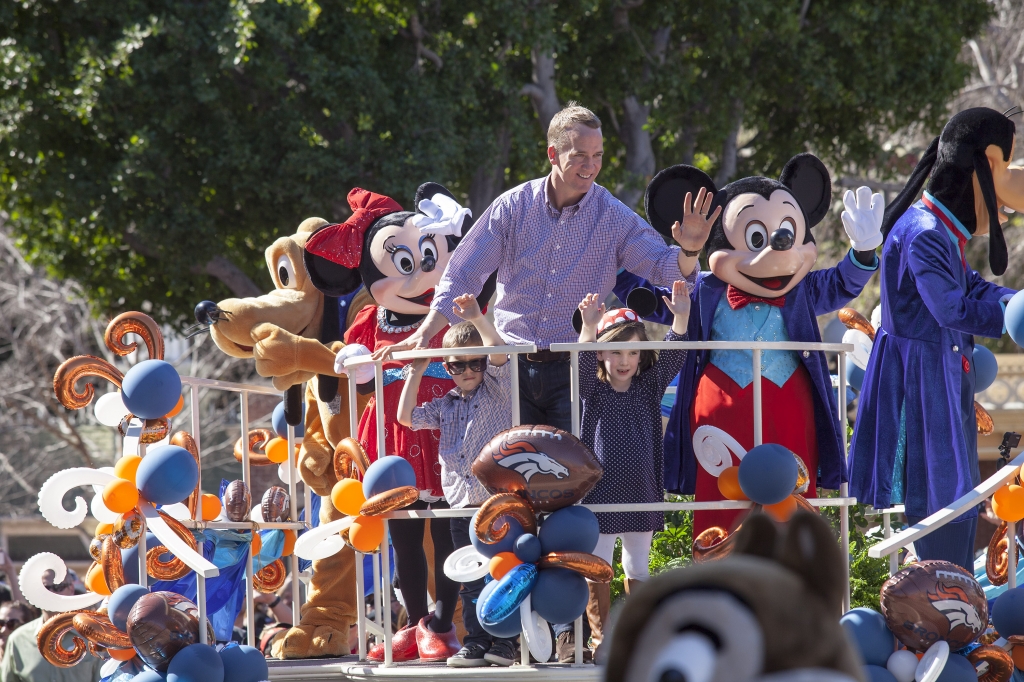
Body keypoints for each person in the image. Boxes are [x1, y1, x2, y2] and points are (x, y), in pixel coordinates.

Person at [381, 104, 715, 660]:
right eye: (580, 156)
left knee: (565, 496)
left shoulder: (611, 214)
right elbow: (461, 273)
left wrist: (690, 250)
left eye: (598, 157)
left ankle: (567, 633)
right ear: (552, 153)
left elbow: (666, 269)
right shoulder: (513, 206)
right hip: (504, 368)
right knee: (500, 493)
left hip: (570, 370)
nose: (590, 166)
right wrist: (426, 336)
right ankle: (496, 636)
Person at [850, 108, 1024, 569]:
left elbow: (971, 287)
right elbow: (951, 308)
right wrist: (1010, 318)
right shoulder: (924, 233)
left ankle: (955, 603)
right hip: (920, 381)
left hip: (942, 376)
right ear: (984, 165)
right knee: (939, 496)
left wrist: (1014, 300)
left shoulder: (940, 231)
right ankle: (941, 605)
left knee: (959, 492)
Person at [398, 293, 519, 668]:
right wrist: (417, 367)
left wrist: (479, 321)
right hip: (459, 503)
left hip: (495, 501)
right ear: (447, 368)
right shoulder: (447, 403)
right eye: (456, 366)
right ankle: (477, 641)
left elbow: (498, 352)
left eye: (474, 363)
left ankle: (506, 642)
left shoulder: (498, 388)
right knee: (469, 579)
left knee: (502, 571)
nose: (467, 371)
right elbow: (406, 417)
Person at [576, 281, 690, 659]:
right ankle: (600, 640)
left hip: (641, 492)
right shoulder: (593, 391)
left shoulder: (648, 387)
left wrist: (681, 317)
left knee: (637, 564)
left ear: (642, 356)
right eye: (616, 351)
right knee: (599, 566)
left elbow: (675, 354)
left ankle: (640, 637)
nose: (625, 360)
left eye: (633, 351)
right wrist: (589, 328)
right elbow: (577, 365)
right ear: (601, 355)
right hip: (600, 496)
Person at [0, 570, 103, 682]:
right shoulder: (18, 640)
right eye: (45, 588)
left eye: (58, 587)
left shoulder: (93, 637)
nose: (51, 593)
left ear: (71, 589)